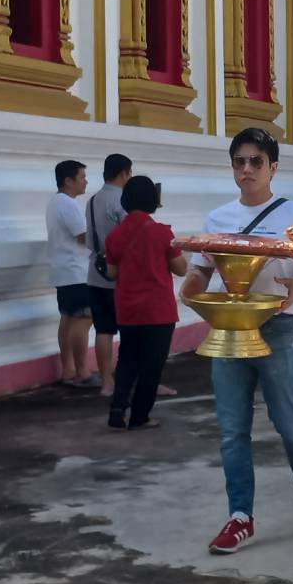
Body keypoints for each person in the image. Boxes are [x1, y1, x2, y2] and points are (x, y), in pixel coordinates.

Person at [181, 128, 293, 554]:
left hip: (278, 328)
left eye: (255, 162)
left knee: (290, 423)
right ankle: (240, 515)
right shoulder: (218, 219)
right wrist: (190, 290)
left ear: (273, 168)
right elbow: (201, 268)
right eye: (239, 162)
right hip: (228, 328)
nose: (247, 170)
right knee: (232, 430)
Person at [104, 176, 187, 431]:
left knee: (127, 358)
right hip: (157, 310)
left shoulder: (115, 234)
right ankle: (141, 416)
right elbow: (181, 269)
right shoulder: (162, 232)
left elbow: (111, 273)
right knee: (152, 365)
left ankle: (117, 408)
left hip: (128, 308)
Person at [85, 153, 131, 398]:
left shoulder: (92, 200)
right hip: (119, 273)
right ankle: (126, 380)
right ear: (124, 173)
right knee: (129, 331)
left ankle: (106, 382)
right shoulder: (121, 200)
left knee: (103, 330)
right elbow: (130, 234)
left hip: (95, 270)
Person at [46, 160, 94, 387]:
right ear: (69, 181)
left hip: (63, 269)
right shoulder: (68, 204)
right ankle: (82, 371)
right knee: (83, 319)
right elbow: (84, 235)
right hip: (77, 270)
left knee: (67, 318)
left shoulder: (55, 202)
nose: (86, 181)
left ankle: (69, 369)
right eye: (82, 177)